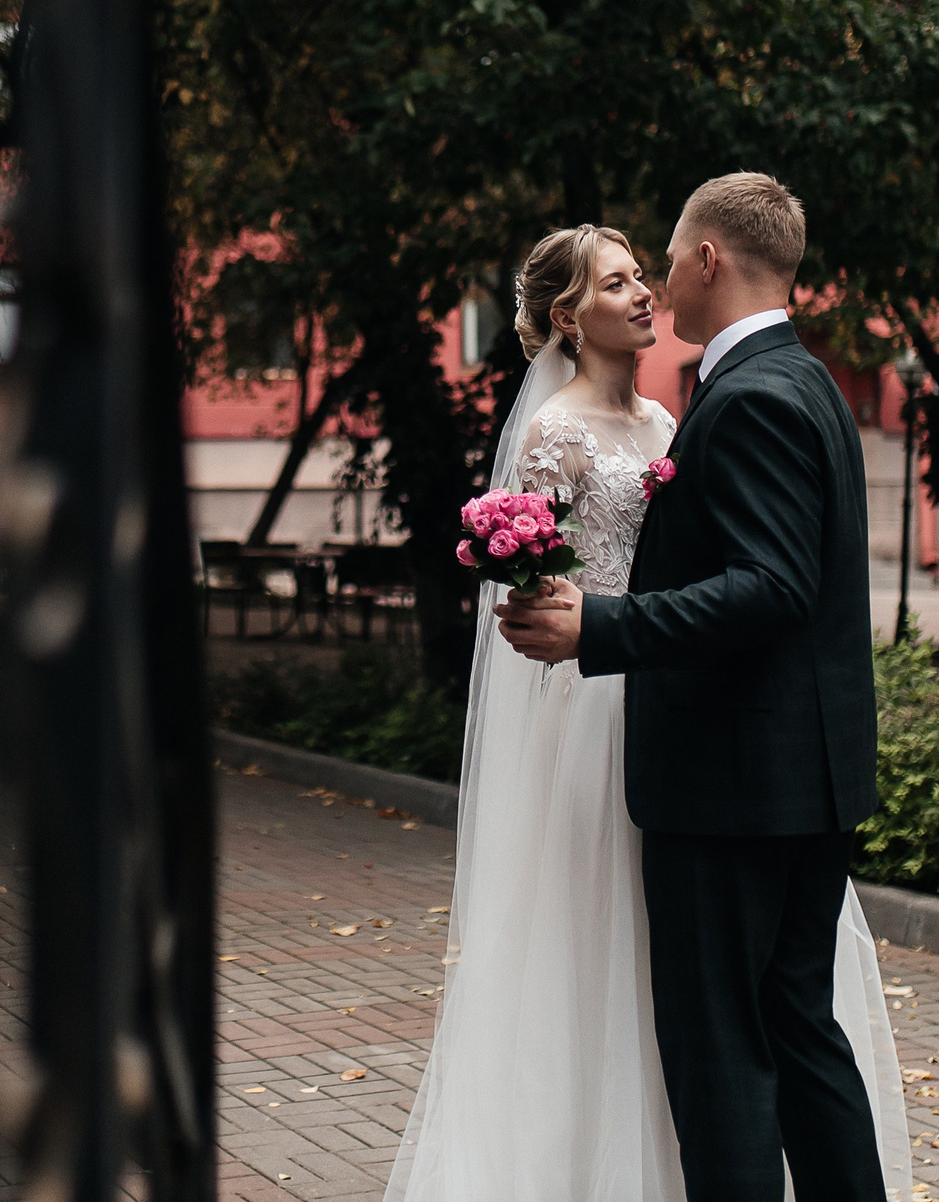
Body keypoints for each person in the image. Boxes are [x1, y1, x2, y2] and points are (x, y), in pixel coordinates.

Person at [387, 214, 909, 1202]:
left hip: (682, 706)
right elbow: (538, 588)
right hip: (601, 714)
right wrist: (555, 608)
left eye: (645, 271)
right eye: (617, 280)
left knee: (718, 1002)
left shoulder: (683, 417)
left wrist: (618, 627)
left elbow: (748, 575)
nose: (644, 292)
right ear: (564, 318)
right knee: (640, 969)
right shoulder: (560, 431)